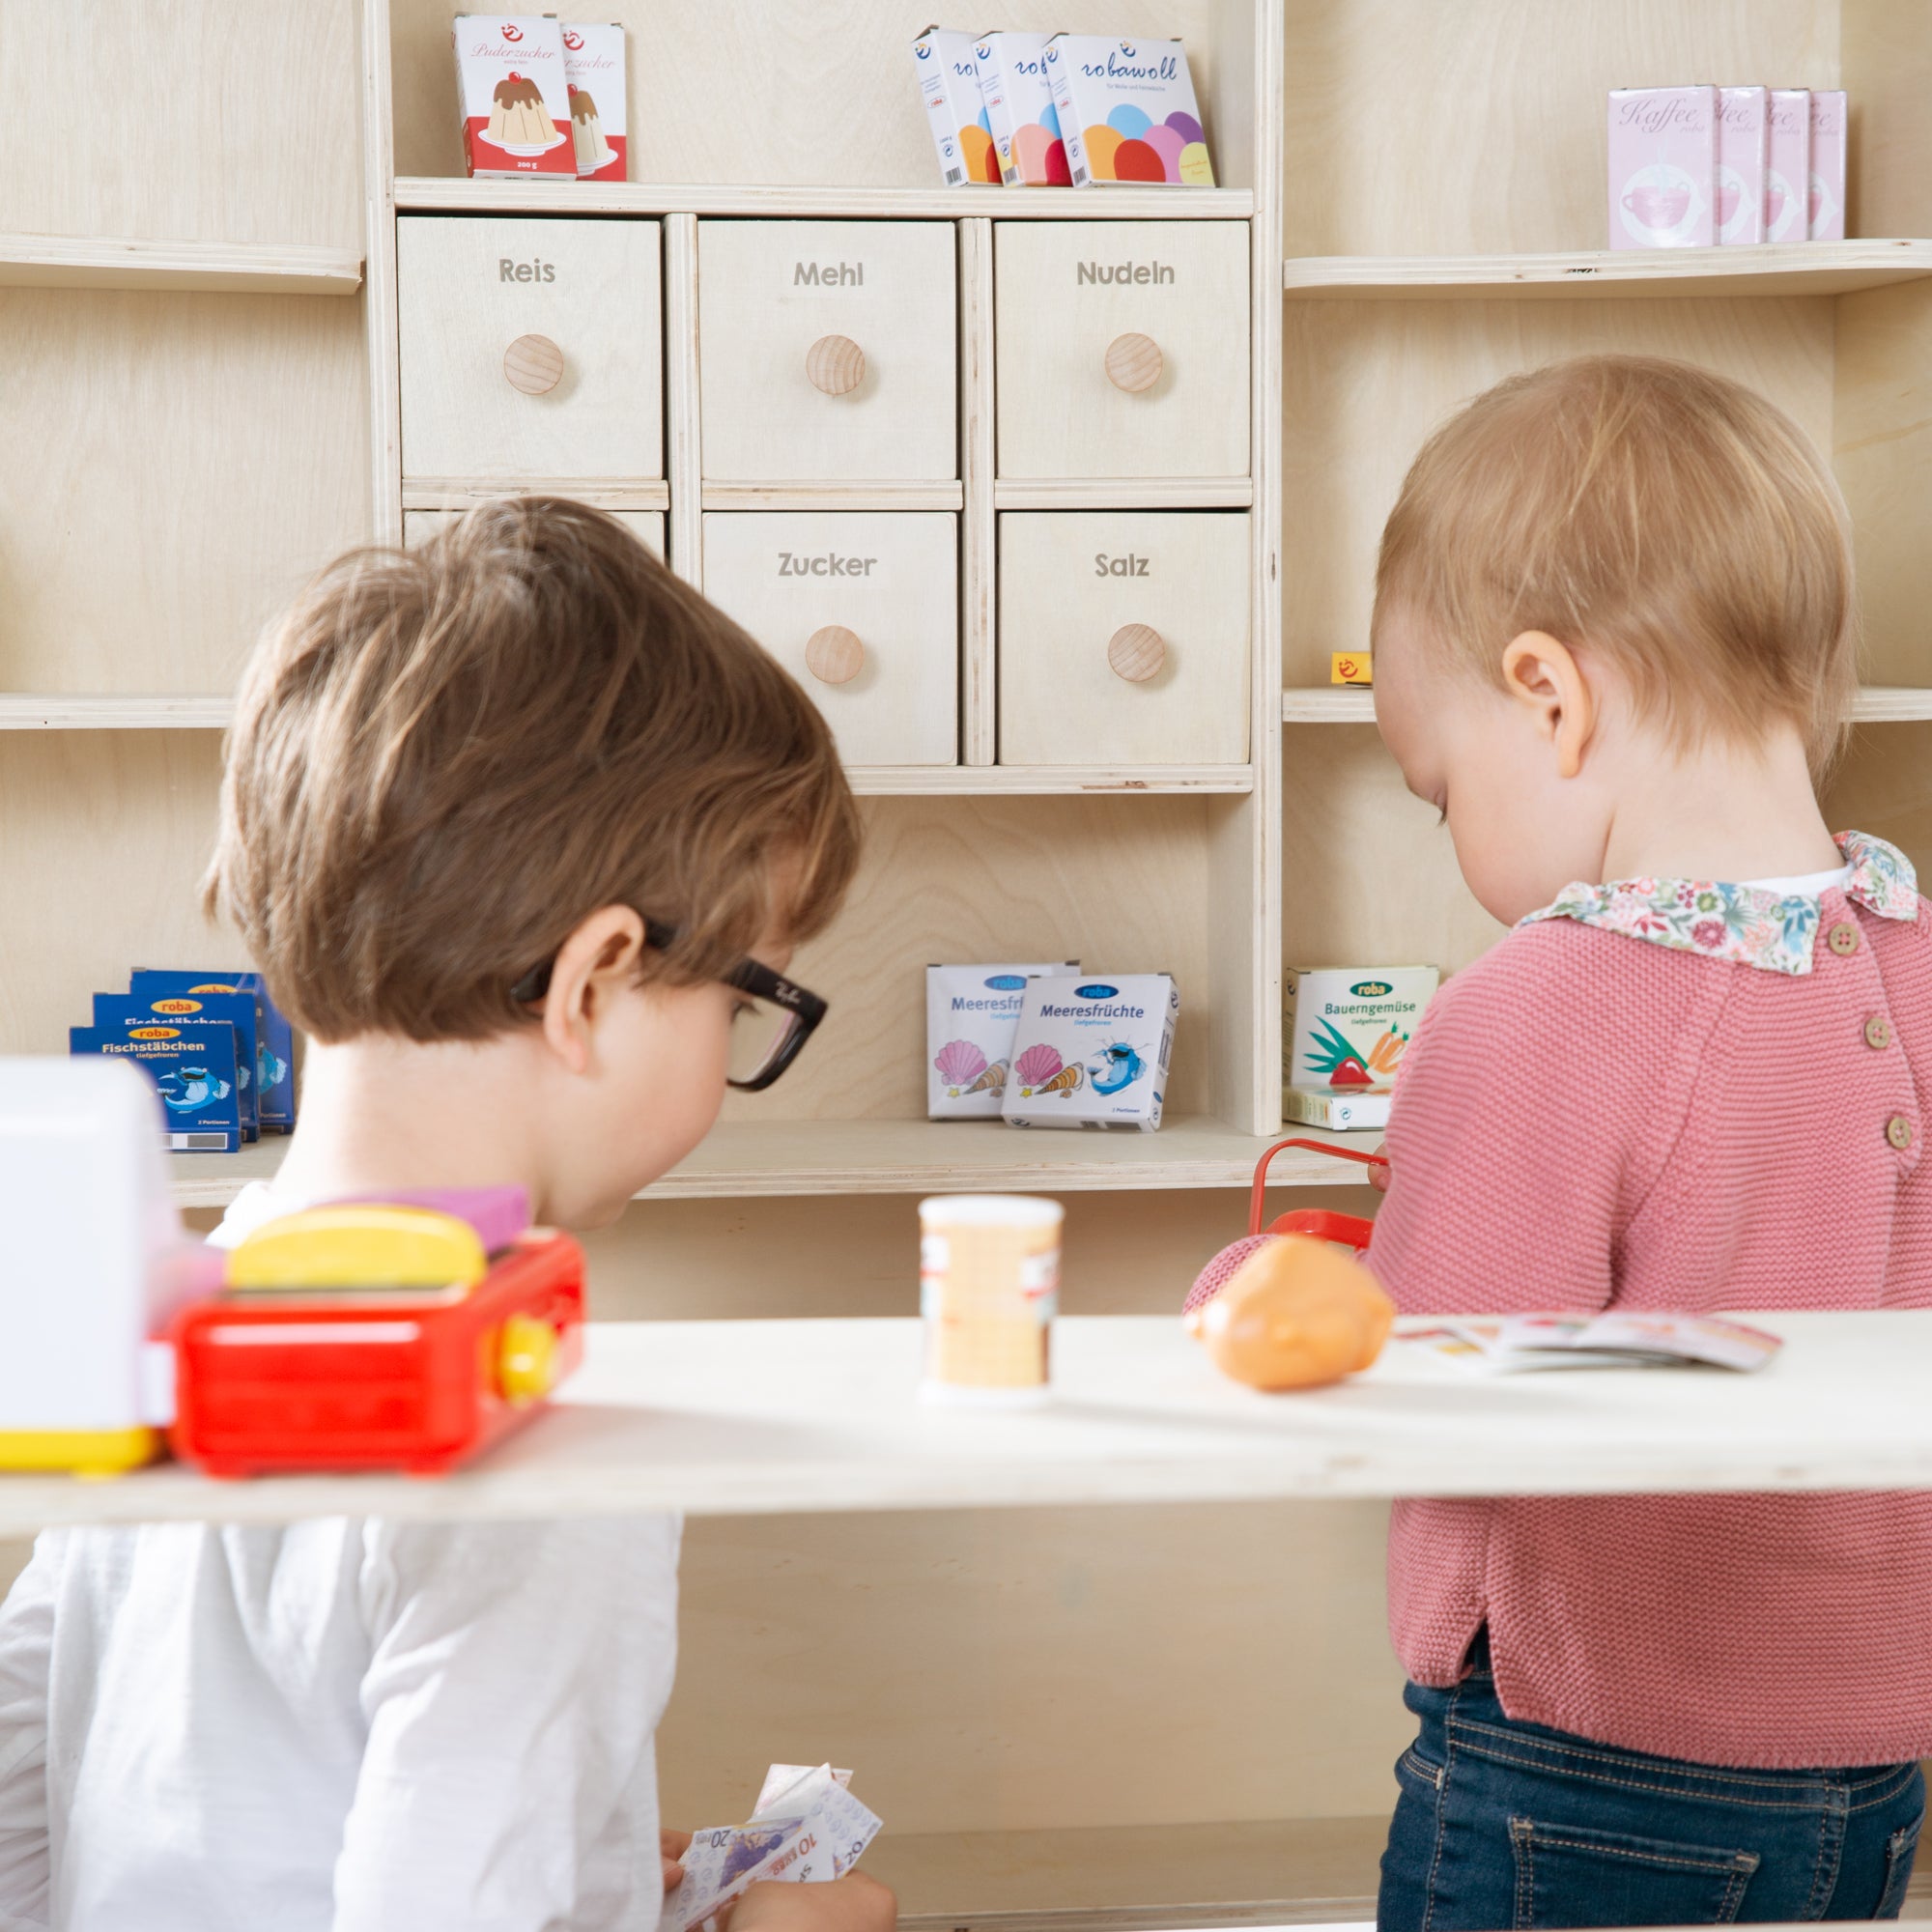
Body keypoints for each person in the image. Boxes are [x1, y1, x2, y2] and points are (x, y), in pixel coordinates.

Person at [0, 500, 894, 1932]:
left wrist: (590, 1855)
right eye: (745, 998)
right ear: (595, 981)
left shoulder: (166, 1317)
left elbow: (25, 1777)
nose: (737, 1045)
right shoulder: (533, 1437)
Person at [1364, 355, 1932, 1928]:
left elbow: (1415, 1374)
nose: (1450, 827)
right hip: (1881, 1769)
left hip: (1584, 1758)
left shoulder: (1540, 1003)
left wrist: (1255, 1292)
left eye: (1437, 787)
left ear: (1552, 696)